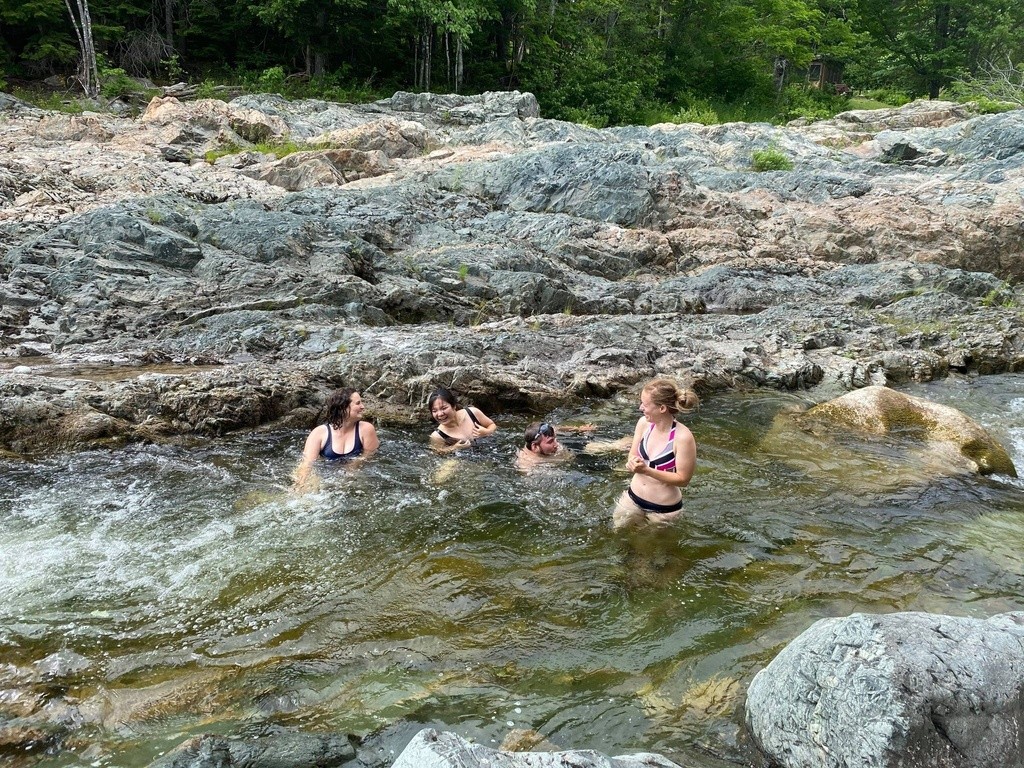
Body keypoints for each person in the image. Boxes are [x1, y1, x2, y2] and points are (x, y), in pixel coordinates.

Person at [613, 378, 698, 529]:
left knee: (648, 544)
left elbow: (683, 480)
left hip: (663, 509)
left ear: (662, 408)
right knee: (616, 535)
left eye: (645, 404)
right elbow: (632, 455)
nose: (640, 408)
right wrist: (632, 463)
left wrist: (647, 470)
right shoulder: (643, 423)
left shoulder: (683, 437)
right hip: (633, 498)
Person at [293, 388, 380, 492]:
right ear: (343, 407)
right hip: (326, 476)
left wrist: (351, 469)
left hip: (355, 476)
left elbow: (368, 456)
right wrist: (300, 485)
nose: (363, 406)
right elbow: (307, 464)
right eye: (358, 403)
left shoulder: (366, 429)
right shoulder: (319, 433)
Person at [427, 387, 497, 452]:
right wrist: (454, 448)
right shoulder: (437, 436)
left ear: (453, 406)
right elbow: (438, 453)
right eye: (434, 411)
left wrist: (487, 432)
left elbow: (492, 425)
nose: (440, 414)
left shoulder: (472, 413)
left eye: (444, 408)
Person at [515, 421, 596, 471]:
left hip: (570, 447)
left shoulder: (539, 439)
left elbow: (556, 428)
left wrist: (579, 429)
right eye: (550, 441)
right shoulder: (528, 466)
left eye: (555, 439)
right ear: (535, 447)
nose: (556, 444)